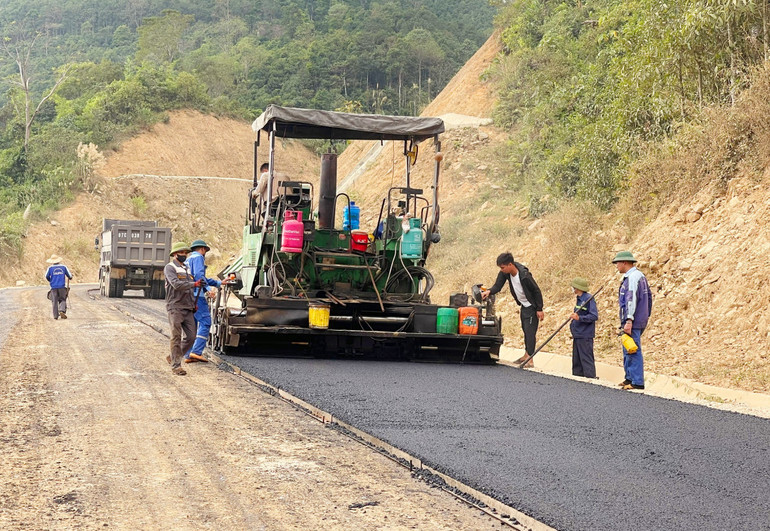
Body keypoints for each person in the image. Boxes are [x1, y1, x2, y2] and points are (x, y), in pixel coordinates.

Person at [482, 252, 544, 368]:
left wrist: (539, 309)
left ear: (510, 264)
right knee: (525, 329)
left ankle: (530, 360)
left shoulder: (524, 275)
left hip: (532, 306)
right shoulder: (505, 274)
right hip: (524, 306)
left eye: (503, 267)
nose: (502, 270)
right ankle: (526, 355)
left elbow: (536, 291)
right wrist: (489, 291)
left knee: (530, 332)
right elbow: (498, 286)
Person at [164, 242, 205, 376]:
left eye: (185, 253)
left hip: (188, 308)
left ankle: (173, 356)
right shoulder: (170, 268)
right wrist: (194, 283)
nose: (184, 255)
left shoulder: (186, 269)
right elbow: (176, 284)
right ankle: (176, 366)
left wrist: (194, 302)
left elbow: (189, 289)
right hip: (175, 307)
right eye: (182, 253)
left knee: (191, 337)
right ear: (175, 254)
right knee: (176, 336)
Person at [613, 251, 653, 390]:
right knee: (628, 347)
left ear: (625, 262)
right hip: (638, 318)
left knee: (633, 349)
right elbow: (649, 299)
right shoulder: (639, 276)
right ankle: (629, 377)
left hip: (633, 320)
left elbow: (631, 300)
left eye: (617, 263)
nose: (616, 266)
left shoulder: (632, 278)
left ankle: (637, 381)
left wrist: (629, 320)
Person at [184, 239, 221, 363]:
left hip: (187, 295)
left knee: (192, 325)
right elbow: (200, 277)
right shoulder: (199, 258)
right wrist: (209, 289)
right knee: (205, 322)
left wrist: (219, 283)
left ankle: (188, 354)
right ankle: (196, 351)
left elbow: (198, 277)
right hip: (197, 296)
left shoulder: (188, 260)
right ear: (203, 249)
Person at [569, 277, 598, 379]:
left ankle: (591, 379)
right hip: (577, 334)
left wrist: (579, 318)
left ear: (578, 288)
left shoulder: (588, 299)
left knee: (586, 359)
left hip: (585, 334)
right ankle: (578, 379)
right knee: (577, 360)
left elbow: (594, 316)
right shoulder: (579, 299)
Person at [45, 255, 73, 320]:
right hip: (62, 286)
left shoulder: (50, 268)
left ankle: (55, 316)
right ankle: (62, 310)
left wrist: (51, 280)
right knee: (62, 299)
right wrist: (70, 277)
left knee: (54, 301)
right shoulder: (63, 267)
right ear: (58, 260)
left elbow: (46, 276)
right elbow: (70, 275)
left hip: (53, 287)